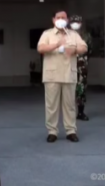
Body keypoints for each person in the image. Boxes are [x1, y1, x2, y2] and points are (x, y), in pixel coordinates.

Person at [38, 11, 87, 143]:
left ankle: (71, 131)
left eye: (63, 18)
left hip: (69, 74)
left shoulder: (73, 34)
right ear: (53, 20)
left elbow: (84, 47)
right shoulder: (47, 34)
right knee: (51, 105)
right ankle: (52, 131)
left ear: (67, 19)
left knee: (69, 105)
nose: (60, 19)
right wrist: (57, 44)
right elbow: (40, 48)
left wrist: (75, 50)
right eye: (58, 17)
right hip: (52, 75)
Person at [70, 15, 93, 121]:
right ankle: (69, 113)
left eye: (77, 22)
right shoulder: (66, 34)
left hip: (82, 66)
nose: (75, 24)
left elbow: (90, 50)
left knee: (81, 89)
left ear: (81, 23)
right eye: (73, 22)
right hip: (68, 66)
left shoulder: (86, 35)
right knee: (68, 89)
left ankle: (81, 112)